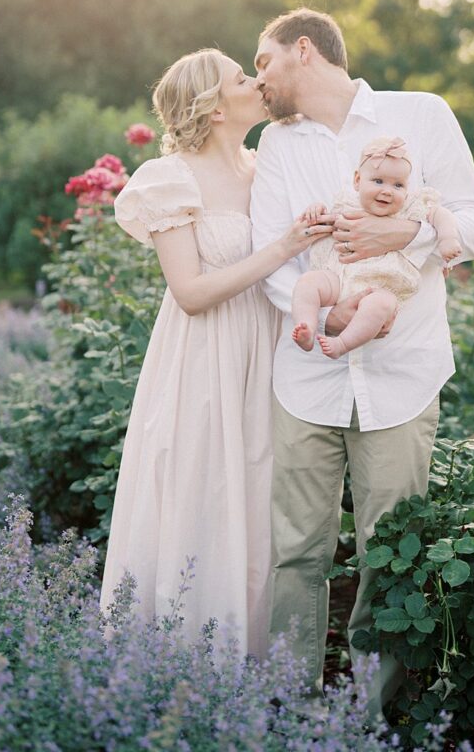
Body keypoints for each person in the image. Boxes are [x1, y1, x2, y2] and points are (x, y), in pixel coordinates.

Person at [249, 9, 474, 718]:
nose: (257, 78)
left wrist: (406, 227)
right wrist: (325, 315)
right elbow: (271, 254)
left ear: (304, 51)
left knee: (390, 556)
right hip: (308, 378)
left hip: (404, 375)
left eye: (263, 61)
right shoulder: (278, 143)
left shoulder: (422, 116)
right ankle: (289, 713)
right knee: (297, 554)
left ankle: (369, 720)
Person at [99, 48, 330, 658]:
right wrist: (282, 248)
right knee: (203, 488)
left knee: (256, 494)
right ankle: (178, 659)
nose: (256, 82)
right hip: (204, 357)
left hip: (267, 351)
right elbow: (192, 292)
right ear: (214, 106)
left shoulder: (266, 167)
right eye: (239, 77)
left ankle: (251, 663)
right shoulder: (172, 179)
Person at [292, 134, 462, 358]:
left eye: (398, 185)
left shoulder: (410, 208)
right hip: (337, 277)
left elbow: (441, 214)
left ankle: (341, 344)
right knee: (309, 282)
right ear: (357, 180)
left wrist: (448, 238)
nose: (388, 190)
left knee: (381, 305)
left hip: (380, 286)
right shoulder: (346, 201)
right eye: (378, 181)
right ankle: (307, 326)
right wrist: (315, 209)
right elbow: (324, 220)